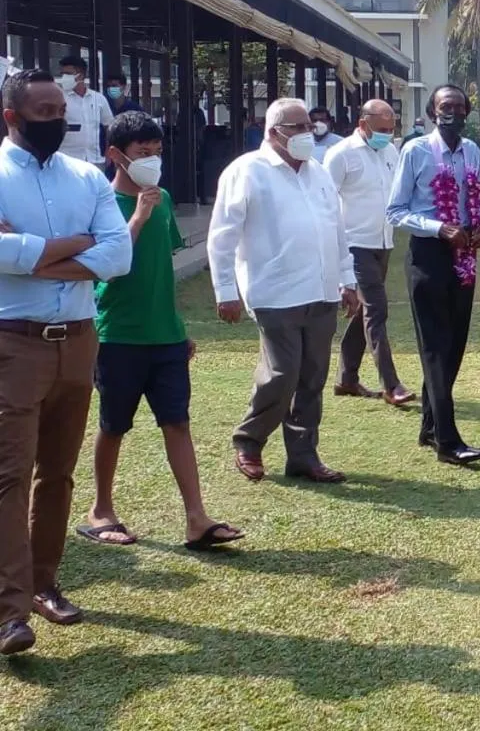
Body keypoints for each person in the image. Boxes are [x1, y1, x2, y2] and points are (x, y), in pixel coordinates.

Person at [0, 69, 132, 656]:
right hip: (13, 342)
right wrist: (82, 244)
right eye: (45, 112)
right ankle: (9, 610)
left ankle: (44, 582)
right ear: (13, 117)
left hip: (78, 341)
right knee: (8, 475)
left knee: (56, 473)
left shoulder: (86, 177)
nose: (59, 120)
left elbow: (118, 254)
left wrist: (28, 255)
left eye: (61, 111)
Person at [77, 112, 243, 552]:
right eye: (142, 153)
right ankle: (101, 509)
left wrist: (177, 327)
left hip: (164, 336)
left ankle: (196, 519)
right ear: (116, 156)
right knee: (113, 425)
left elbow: (161, 271)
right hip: (116, 336)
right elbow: (108, 268)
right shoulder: (101, 207)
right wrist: (139, 217)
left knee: (178, 423)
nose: (152, 160)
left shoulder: (164, 199)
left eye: (157, 152)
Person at [206, 98, 359, 485]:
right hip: (274, 290)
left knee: (312, 376)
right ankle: (249, 441)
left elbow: (337, 232)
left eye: (309, 126)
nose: (309, 133)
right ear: (274, 133)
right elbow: (221, 238)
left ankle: (303, 455)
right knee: (282, 373)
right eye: (299, 127)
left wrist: (348, 281)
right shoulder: (246, 171)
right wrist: (225, 290)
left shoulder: (318, 173)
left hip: (321, 289)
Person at [388, 84, 480, 466]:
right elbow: (396, 210)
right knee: (434, 347)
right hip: (429, 255)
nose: (453, 113)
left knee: (453, 346)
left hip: (465, 255)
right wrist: (438, 228)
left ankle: (430, 427)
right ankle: (448, 442)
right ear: (433, 113)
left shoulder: (473, 151)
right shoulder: (415, 151)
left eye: (460, 107)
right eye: (445, 107)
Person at [324, 100, 416, 407]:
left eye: (392, 129)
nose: (387, 135)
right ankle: (391, 385)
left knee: (365, 312)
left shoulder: (390, 152)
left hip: (383, 242)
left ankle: (346, 379)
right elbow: (323, 201)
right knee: (377, 310)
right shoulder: (341, 155)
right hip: (353, 245)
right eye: (381, 130)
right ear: (363, 124)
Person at [57, 55, 113, 172]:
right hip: (67, 160)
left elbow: (110, 126)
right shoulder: (59, 98)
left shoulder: (98, 98)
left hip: (95, 160)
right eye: (62, 74)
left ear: (80, 75)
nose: (64, 77)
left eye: (67, 74)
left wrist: (108, 152)